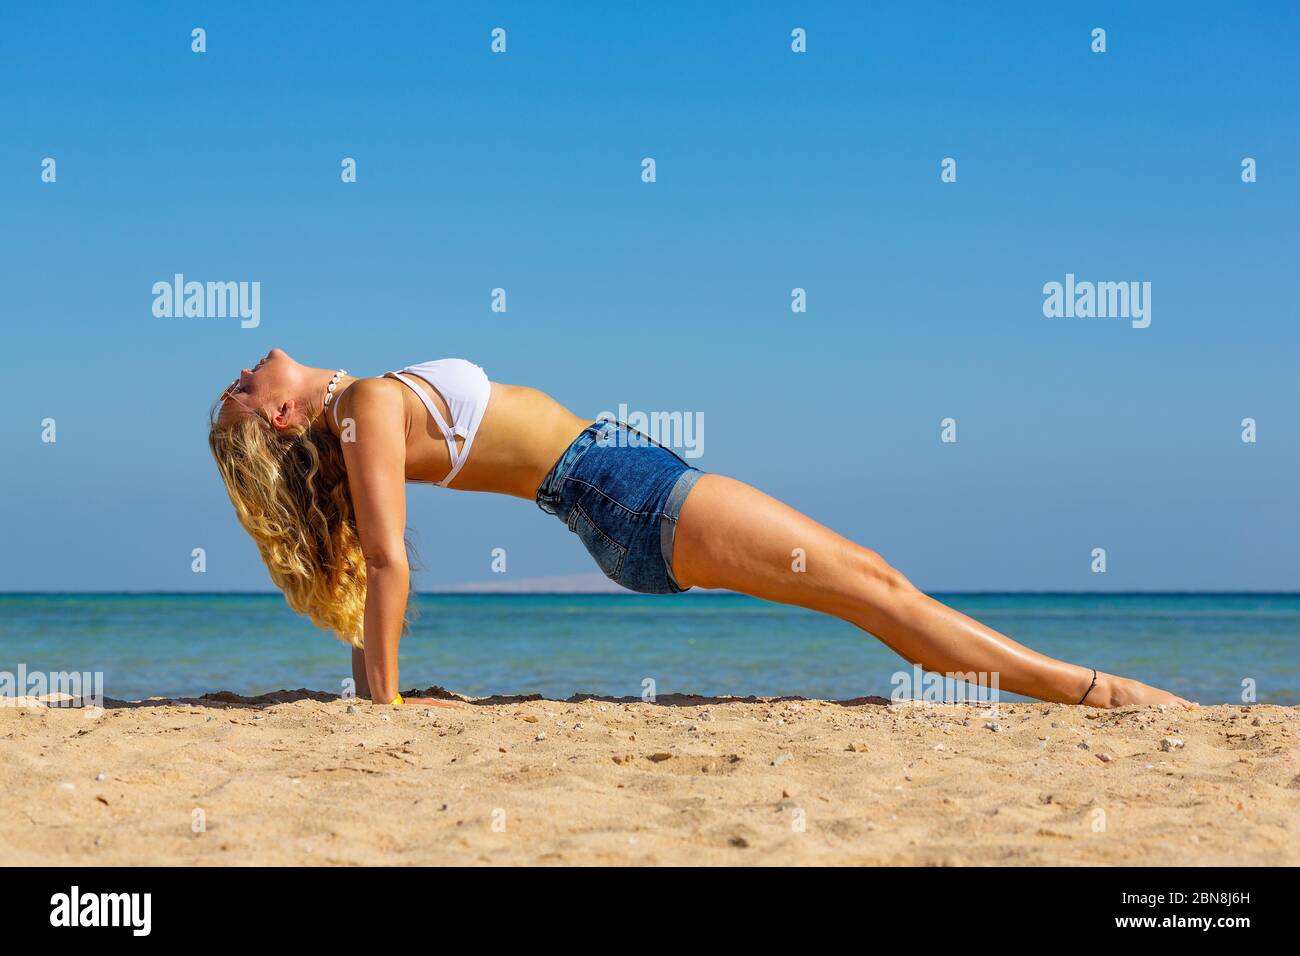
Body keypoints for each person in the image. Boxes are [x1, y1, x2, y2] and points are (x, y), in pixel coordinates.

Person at [210, 349, 1195, 710]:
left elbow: (357, 563)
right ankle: (1096, 691)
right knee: (873, 583)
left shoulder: (358, 413)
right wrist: (382, 702)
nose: (237, 379)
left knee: (867, 589)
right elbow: (382, 561)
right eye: (239, 398)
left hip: (623, 495)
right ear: (282, 418)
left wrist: (368, 683)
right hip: (627, 495)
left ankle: (1069, 685)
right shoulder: (367, 407)